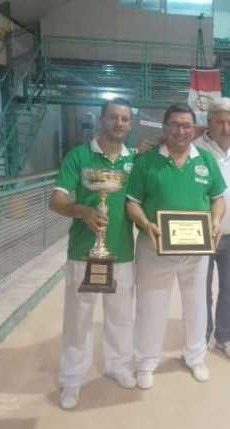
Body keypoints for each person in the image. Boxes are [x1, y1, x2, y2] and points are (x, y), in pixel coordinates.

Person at [125, 103, 227, 389]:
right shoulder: (146, 162)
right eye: (175, 125)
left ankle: (195, 357)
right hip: (154, 248)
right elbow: (132, 202)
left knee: (197, 306)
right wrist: (146, 224)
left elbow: (218, 199)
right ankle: (146, 362)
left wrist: (216, 221)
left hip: (196, 251)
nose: (181, 131)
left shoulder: (206, 160)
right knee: (150, 307)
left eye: (186, 126)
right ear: (165, 127)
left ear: (194, 129)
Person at [49, 99, 139, 410]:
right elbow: (56, 200)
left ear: (130, 124)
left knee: (120, 317)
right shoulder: (79, 156)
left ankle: (118, 365)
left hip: (122, 253)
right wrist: (82, 211)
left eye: (125, 118)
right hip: (83, 253)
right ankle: (72, 378)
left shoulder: (135, 160)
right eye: (113, 117)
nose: (119, 123)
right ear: (101, 120)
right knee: (78, 320)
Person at [192, 97, 230, 358]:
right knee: (200, 290)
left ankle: (224, 336)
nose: (226, 128)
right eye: (220, 122)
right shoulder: (195, 149)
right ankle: (202, 335)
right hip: (202, 234)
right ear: (209, 122)